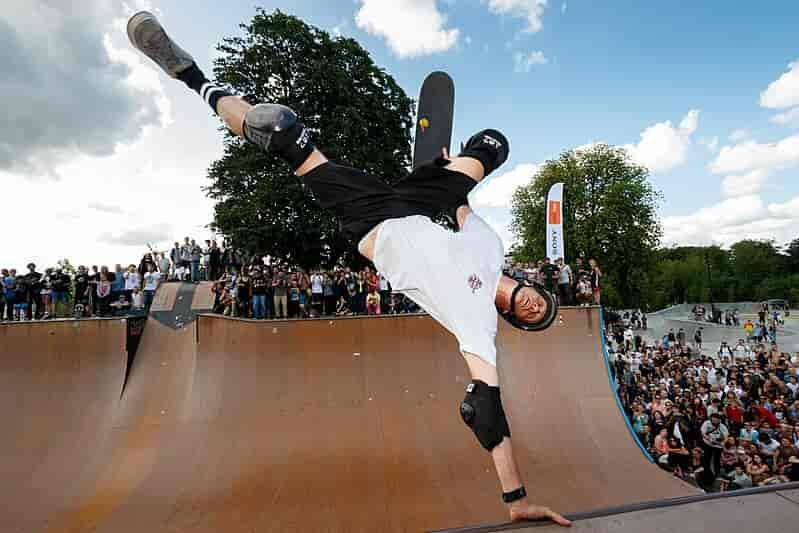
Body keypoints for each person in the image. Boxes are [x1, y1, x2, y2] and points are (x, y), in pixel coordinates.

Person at [129, 12, 567, 525]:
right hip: (423, 202)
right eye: (542, 303)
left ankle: (190, 75)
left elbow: (485, 411)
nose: (535, 308)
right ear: (535, 286)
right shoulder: (491, 247)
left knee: (280, 131)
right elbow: (462, 208)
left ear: (516, 320)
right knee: (494, 144)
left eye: (533, 318)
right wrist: (445, 170)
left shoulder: (478, 325)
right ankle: (432, 163)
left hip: (372, 224)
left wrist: (515, 500)